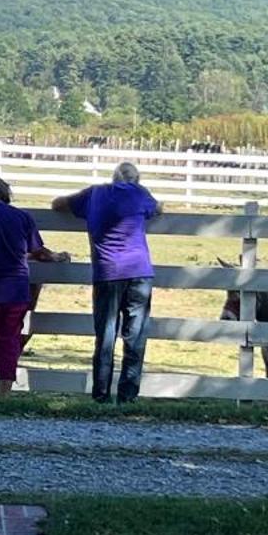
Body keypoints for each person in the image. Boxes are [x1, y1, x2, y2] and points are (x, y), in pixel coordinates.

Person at [51, 160, 162, 403]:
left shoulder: (94, 194)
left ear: (113, 179)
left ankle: (101, 395)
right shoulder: (140, 194)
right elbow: (158, 209)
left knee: (106, 336)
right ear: (136, 180)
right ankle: (127, 396)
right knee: (135, 336)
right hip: (139, 271)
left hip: (107, 272)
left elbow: (57, 204)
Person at [0, 174, 68, 399]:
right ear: (5, 194)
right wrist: (58, 257)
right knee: (9, 343)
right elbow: (39, 251)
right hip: (16, 291)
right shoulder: (22, 217)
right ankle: (4, 396)